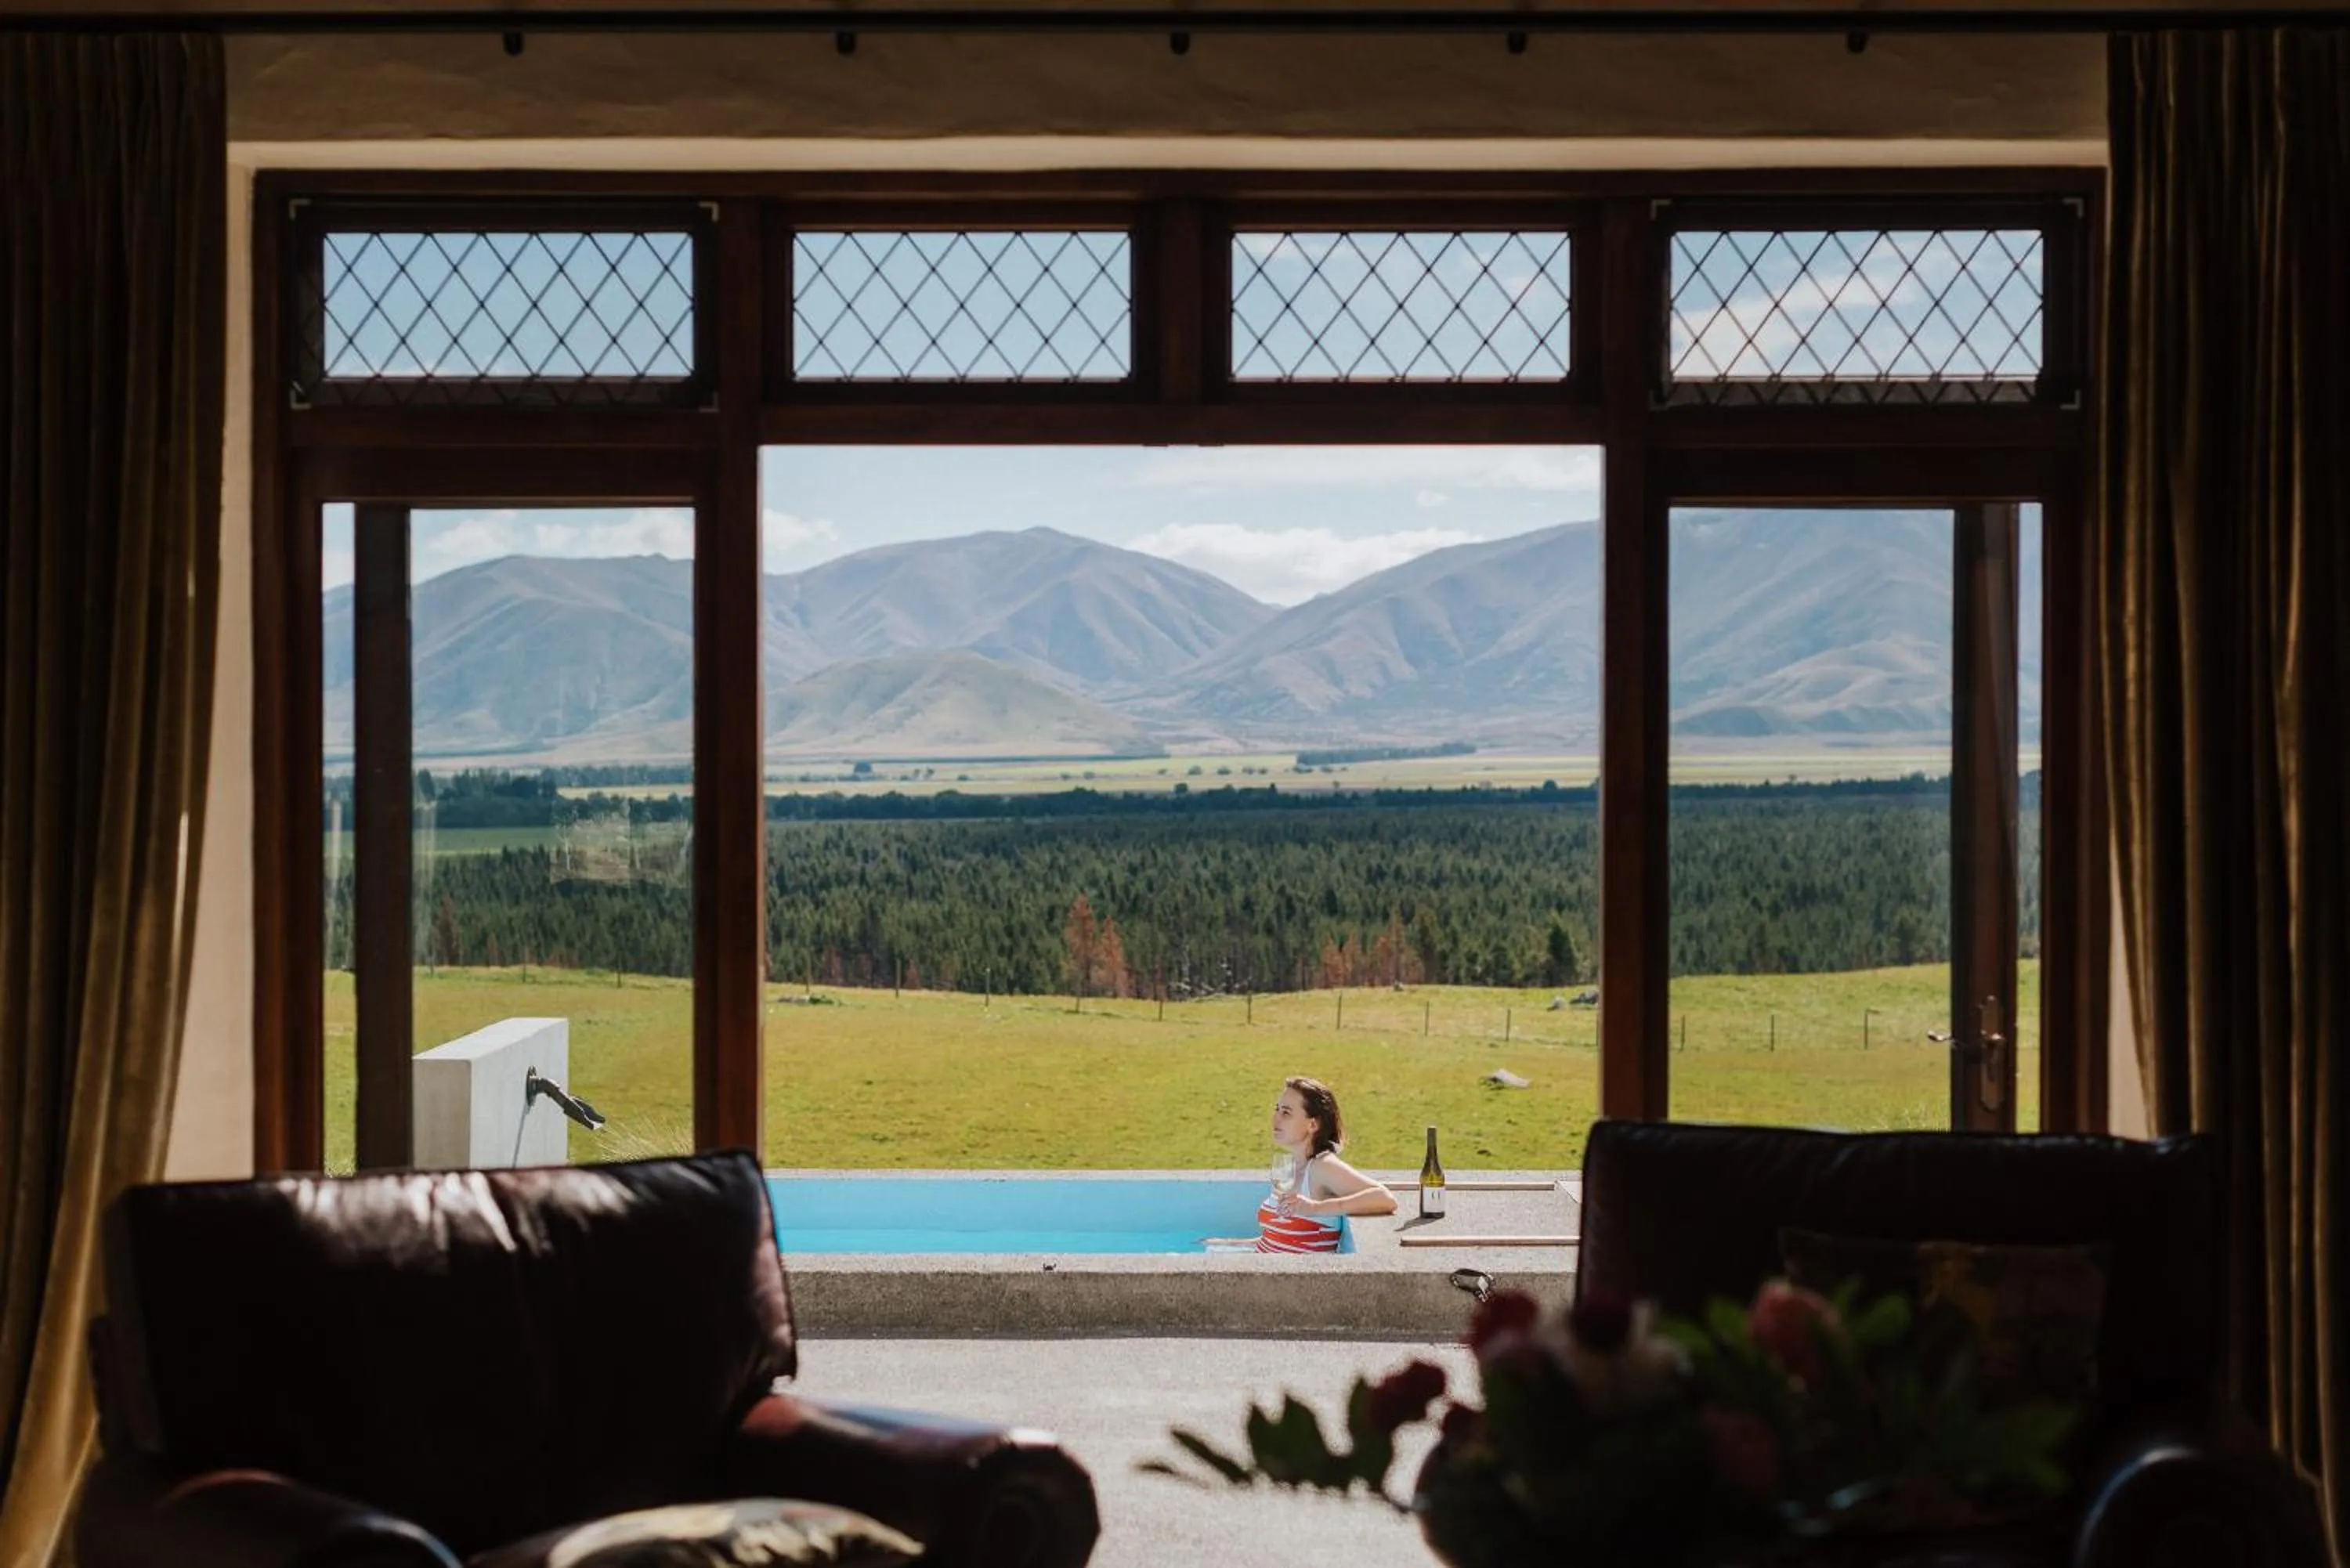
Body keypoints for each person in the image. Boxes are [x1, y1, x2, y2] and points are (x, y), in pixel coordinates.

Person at [1206, 1076, 1397, 1253]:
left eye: (1286, 1113)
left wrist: (1315, 1208)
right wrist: (1227, 1244)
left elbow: (1385, 1198)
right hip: (1264, 1262)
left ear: (1312, 1125)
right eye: (1277, 1109)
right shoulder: (1290, 1169)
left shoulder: (1322, 1167)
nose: (1276, 1118)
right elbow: (1279, 1239)